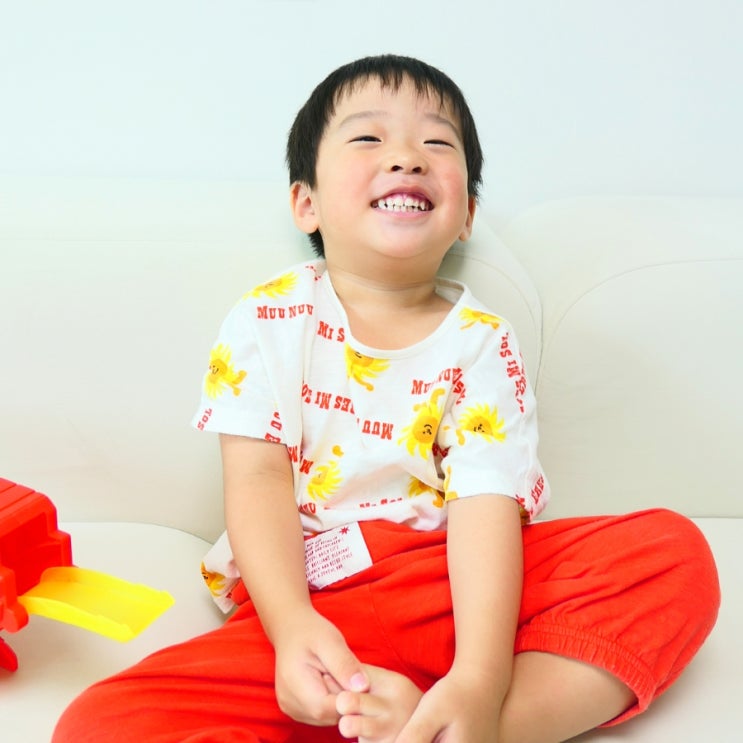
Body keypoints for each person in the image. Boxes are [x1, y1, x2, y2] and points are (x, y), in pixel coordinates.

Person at [53, 54, 720, 743]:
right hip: (309, 601)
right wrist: (293, 629)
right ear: (306, 203)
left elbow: (485, 505)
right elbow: (255, 481)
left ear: (467, 213)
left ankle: (465, 728)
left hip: (454, 592)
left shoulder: (483, 341)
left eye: (436, 142)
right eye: (369, 138)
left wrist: (480, 680)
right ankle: (394, 720)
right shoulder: (266, 318)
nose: (406, 156)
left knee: (672, 554)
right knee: (98, 725)